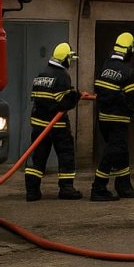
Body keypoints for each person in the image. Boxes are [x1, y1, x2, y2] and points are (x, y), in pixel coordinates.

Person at [24, 42, 83, 201]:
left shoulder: (42, 73)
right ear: (65, 59)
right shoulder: (62, 75)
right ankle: (66, 189)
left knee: (38, 157)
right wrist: (75, 96)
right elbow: (63, 104)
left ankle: (32, 191)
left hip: (38, 125)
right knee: (66, 155)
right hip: (57, 126)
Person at [90, 32, 134, 201]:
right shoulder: (128, 71)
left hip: (104, 119)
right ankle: (98, 187)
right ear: (128, 50)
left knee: (121, 152)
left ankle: (124, 186)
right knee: (112, 152)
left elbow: (100, 90)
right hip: (118, 119)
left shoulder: (105, 67)